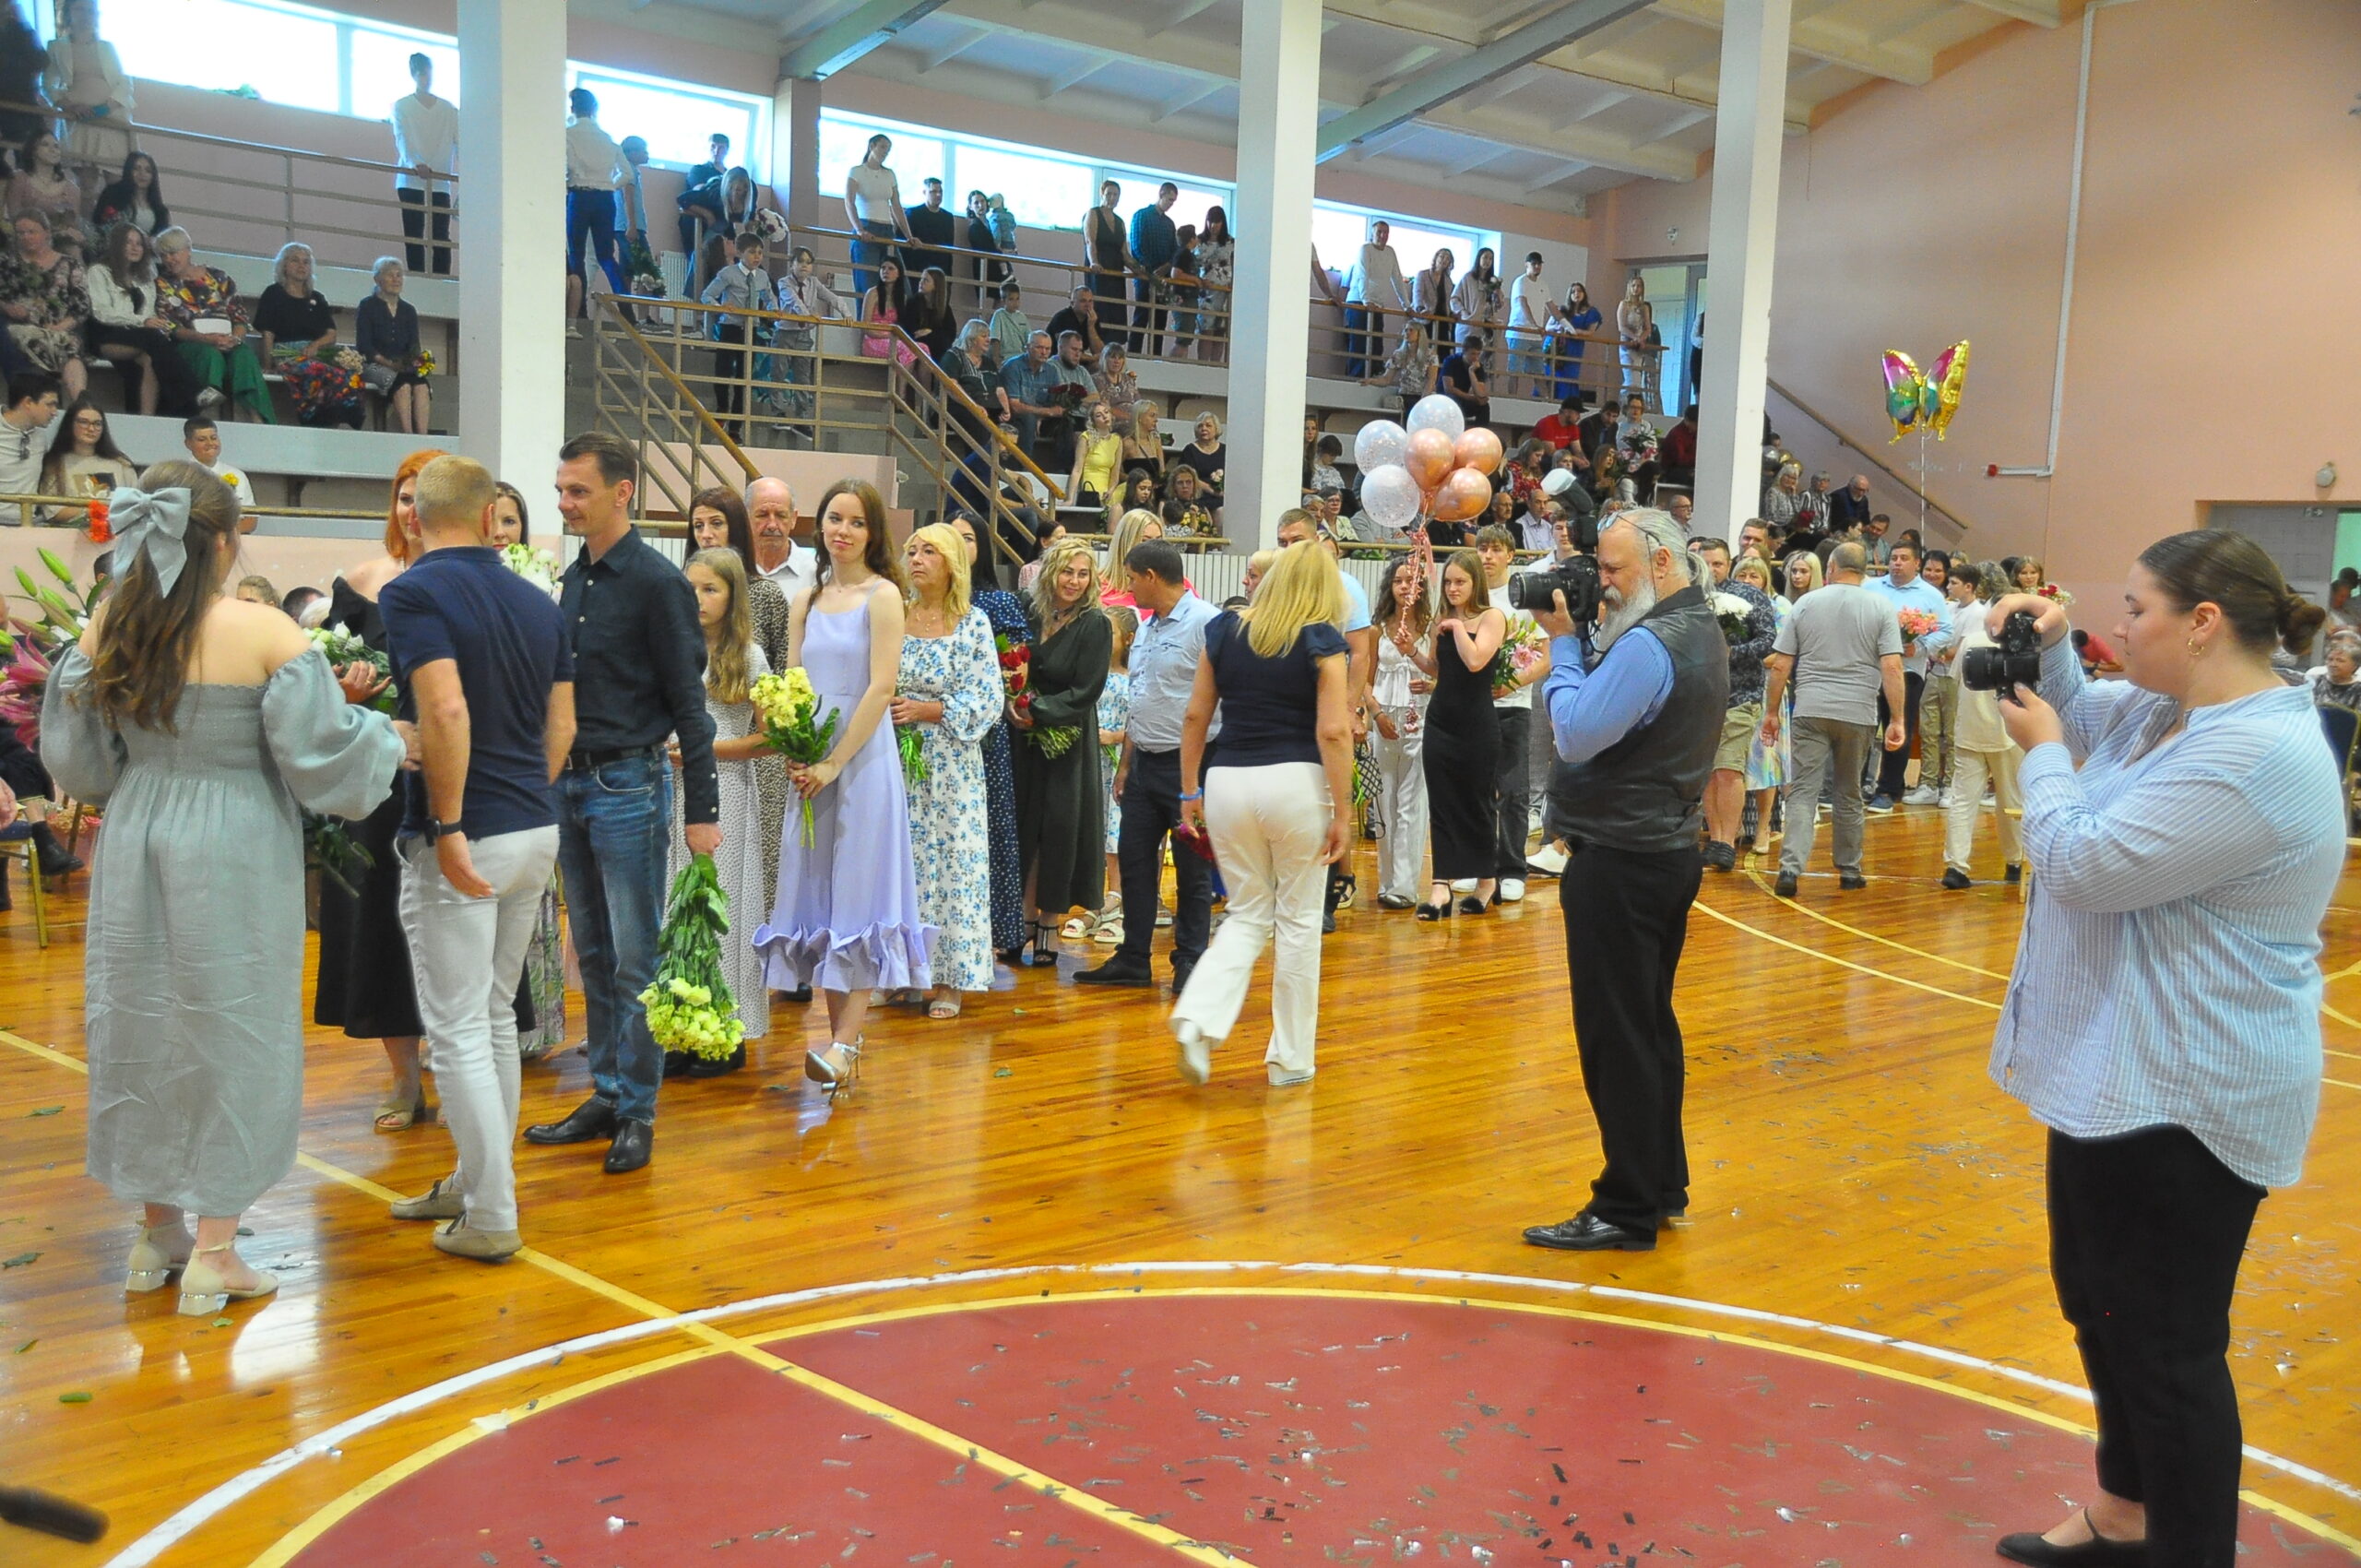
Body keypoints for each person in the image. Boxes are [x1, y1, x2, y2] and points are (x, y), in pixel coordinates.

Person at [1978, 532, 2343, 1568]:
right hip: (2119, 1070)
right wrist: (2051, 649)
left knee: (2168, 1349)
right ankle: (2126, 1513)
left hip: (2190, 1089)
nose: (2118, 625)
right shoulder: (2169, 709)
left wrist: (2040, 754)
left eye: (2135, 609)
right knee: (2099, 1309)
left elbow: (2085, 864)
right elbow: (2082, 715)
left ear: (2203, 623)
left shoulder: (2256, 755)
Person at [44, 463, 402, 1314]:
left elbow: (80, 766)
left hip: (136, 834)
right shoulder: (265, 631)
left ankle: (155, 1235)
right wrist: (384, 735)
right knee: (233, 1027)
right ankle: (215, 1253)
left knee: (140, 1022)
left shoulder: (108, 624)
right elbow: (321, 763)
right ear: (224, 539)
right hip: (236, 840)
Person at [376, 455, 571, 1262]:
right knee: (490, 1016)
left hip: (466, 833)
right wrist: (522, 798)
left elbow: (445, 709)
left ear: (415, 515)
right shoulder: (538, 599)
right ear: (493, 516)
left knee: (457, 1027)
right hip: (534, 825)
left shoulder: (413, 591)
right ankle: (474, 1182)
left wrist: (451, 823)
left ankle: (492, 1213)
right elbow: (563, 725)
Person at [1518, 507, 1726, 1253]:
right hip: (1662, 851)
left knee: (1619, 1039)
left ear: (1661, 563)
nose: (1600, 582)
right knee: (1649, 1028)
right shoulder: (1697, 626)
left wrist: (1564, 644)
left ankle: (1626, 1205)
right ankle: (1660, 1183)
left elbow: (1576, 733)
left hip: (1622, 860)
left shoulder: (1648, 643)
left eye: (1612, 569)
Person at [524, 434, 718, 1175]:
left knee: (636, 959)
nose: (565, 503)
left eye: (578, 491)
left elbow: (690, 705)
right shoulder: (575, 578)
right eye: (561, 491)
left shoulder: (657, 582)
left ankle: (638, 1109)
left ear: (622, 492)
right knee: (595, 953)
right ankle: (606, 1092)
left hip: (629, 784)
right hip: (571, 783)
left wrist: (702, 811)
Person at [751, 479, 926, 1093]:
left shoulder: (884, 596)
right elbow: (793, 685)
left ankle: (846, 1043)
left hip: (863, 762)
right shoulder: (805, 599)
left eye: (855, 521)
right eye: (834, 518)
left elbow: (881, 688)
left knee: (859, 895)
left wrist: (834, 761)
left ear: (872, 533)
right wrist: (797, 750)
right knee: (821, 897)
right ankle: (837, 1040)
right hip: (812, 763)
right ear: (819, 524)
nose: (842, 531)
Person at [1169, 539, 1353, 1087]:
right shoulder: (1322, 640)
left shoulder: (1223, 630)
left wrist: (1188, 791)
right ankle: (1290, 1059)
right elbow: (1334, 730)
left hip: (1226, 780)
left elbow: (1195, 716)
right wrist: (1343, 813)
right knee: (1298, 923)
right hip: (1295, 783)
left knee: (1247, 912)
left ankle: (1198, 1015)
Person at [314, 450, 440, 1133]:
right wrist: (350, 696)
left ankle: (459, 1065)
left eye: (425, 497)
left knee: (451, 921)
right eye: (403, 496)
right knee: (380, 923)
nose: (412, 511)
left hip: (452, 772)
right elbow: (322, 686)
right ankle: (403, 1076)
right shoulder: (362, 583)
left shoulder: (472, 580)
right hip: (377, 779)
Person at [654, 546, 775, 1072]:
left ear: (732, 597)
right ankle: (679, 1027)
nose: (699, 599)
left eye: (711, 589)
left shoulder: (748, 656)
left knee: (722, 906)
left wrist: (706, 750)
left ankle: (728, 1029)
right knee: (674, 905)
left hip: (725, 790)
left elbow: (769, 739)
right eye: (691, 589)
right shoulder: (668, 647)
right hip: (669, 787)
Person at [1076, 540, 1216, 991]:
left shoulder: (1207, 622)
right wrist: (1125, 768)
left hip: (1190, 766)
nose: (1129, 586)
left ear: (1152, 577)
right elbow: (1141, 698)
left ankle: (1190, 960)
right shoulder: (1147, 626)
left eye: (1133, 578)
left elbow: (1223, 697)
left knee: (1192, 870)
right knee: (1135, 861)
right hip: (1143, 764)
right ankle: (1133, 956)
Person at [892, 523, 1002, 1017]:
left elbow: (988, 697)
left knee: (953, 865)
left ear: (953, 562)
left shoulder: (972, 623)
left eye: (929, 552)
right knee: (904, 864)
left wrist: (929, 710)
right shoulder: (896, 615)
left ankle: (951, 980)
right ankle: (903, 973)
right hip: (897, 758)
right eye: (912, 551)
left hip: (952, 763)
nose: (917, 559)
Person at [1761, 543, 1904, 897]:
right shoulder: (1881, 607)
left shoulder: (1805, 604)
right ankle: (1850, 870)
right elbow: (1892, 667)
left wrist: (1771, 713)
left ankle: (1790, 869)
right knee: (1849, 793)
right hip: (1858, 712)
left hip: (1811, 708)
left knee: (1802, 793)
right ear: (1865, 570)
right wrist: (1898, 718)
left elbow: (1780, 665)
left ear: (1831, 567)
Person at [1012, 537, 1112, 966]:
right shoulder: (1026, 609)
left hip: (1067, 738)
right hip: (1021, 735)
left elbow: (1087, 690)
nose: (1074, 581)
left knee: (1058, 829)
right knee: (1023, 828)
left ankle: (1050, 922)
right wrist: (1013, 703)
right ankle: (1022, 918)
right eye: (1068, 571)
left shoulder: (1095, 624)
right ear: (1051, 571)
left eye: (1083, 574)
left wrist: (1036, 709)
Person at [946, 510, 1031, 958]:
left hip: (985, 735)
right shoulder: (919, 604)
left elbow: (1015, 670)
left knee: (987, 830)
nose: (959, 548)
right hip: (927, 735)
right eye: (951, 538)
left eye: (968, 539)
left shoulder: (997, 603)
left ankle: (993, 934)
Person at [1417, 548, 1505, 918]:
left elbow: (1475, 660)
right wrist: (1411, 652)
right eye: (1448, 582)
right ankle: (1441, 885)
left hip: (1477, 724)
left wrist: (1455, 628)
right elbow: (1439, 668)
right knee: (1441, 801)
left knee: (1477, 802)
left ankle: (1487, 880)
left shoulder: (1491, 617)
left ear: (1475, 583)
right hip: (1441, 720)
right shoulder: (1442, 618)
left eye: (1460, 582)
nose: (1452, 589)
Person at [1940, 561, 2023, 890]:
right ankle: (2015, 862)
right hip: (2009, 733)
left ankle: (1956, 866)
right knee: (2011, 800)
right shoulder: (2021, 647)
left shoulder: (1971, 641)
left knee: (1963, 800)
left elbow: (1954, 680)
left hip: (1970, 730)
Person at [1695, 538, 1776, 871]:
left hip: (1741, 694)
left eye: (1717, 563)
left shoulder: (1749, 596)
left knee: (1729, 769)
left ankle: (1728, 841)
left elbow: (1769, 639)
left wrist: (1734, 652)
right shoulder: (1690, 596)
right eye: (1706, 563)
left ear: (1729, 564)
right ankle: (1715, 838)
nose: (1711, 569)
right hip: (1700, 696)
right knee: (1708, 772)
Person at [1865, 540, 1954, 811]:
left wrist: (1920, 646)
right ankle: (1858, 784)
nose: (1896, 563)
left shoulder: (1930, 594)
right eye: (1893, 557)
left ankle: (1888, 789)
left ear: (1917, 563)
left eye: (1904, 558)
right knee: (1864, 727)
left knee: (1898, 726)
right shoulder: (1870, 587)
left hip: (1907, 671)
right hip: (1869, 669)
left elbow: (1946, 631)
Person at [153, 227, 270, 422]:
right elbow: (170, 326)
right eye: (163, 255)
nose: (168, 260)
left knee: (244, 356)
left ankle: (257, 418)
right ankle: (200, 415)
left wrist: (235, 339)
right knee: (210, 354)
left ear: (188, 250)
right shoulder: (162, 284)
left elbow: (240, 317)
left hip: (226, 339)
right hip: (190, 343)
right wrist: (205, 339)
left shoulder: (219, 277)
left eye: (173, 253)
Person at [1370, 552, 1432, 909]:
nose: (1405, 586)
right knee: (1385, 801)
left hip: (1420, 718)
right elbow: (1365, 681)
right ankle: (1386, 880)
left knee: (1413, 802)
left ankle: (1406, 886)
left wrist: (1432, 685)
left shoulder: (1433, 625)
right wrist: (1376, 714)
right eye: (1398, 581)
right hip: (1384, 721)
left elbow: (1443, 673)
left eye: (1411, 580)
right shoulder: (1376, 628)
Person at [83, 221, 192, 416]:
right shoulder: (99, 271)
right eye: (129, 242)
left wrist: (154, 323)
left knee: (151, 358)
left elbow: (149, 312)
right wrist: (141, 322)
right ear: (117, 245)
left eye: (139, 243)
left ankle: (146, 416)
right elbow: (101, 312)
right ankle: (191, 395)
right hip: (107, 334)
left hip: (139, 336)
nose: (135, 248)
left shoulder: (145, 278)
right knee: (154, 339)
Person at [255, 243, 362, 429]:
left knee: (348, 374)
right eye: (295, 261)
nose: (301, 265)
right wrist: (268, 364)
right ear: (284, 265)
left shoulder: (316, 298)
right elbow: (268, 332)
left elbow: (331, 333)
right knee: (315, 370)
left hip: (314, 353)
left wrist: (315, 345)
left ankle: (342, 419)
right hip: (287, 354)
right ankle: (315, 419)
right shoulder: (274, 293)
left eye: (306, 262)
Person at [1729, 553, 1789, 856]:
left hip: (1768, 690)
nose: (1748, 581)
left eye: (1754, 576)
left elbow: (1782, 654)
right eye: (1742, 575)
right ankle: (1735, 824)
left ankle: (1764, 827)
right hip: (1733, 689)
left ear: (1765, 580)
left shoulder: (1779, 607)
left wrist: (1742, 654)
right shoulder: (1726, 606)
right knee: (1733, 760)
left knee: (1766, 761)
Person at [41, 0, 131, 197]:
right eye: (80, 9)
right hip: (80, 121)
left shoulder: (107, 47)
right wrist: (70, 107)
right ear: (69, 13)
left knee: (116, 183)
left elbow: (124, 83)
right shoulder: (57, 47)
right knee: (87, 184)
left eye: (91, 11)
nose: (86, 15)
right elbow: (48, 85)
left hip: (110, 120)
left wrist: (107, 107)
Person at [2, 210, 89, 401]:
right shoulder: (7, 263)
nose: (25, 237)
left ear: (46, 232)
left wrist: (59, 327)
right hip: (21, 327)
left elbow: (82, 306)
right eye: (21, 233)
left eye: (31, 232)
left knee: (69, 346)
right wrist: (7, 307)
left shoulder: (70, 263)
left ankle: (81, 404)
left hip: (61, 327)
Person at [700, 227, 774, 437]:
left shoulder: (762, 277)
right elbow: (707, 296)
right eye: (752, 252)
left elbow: (769, 298)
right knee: (723, 371)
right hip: (730, 327)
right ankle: (722, 409)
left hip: (751, 329)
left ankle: (736, 426)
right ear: (741, 253)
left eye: (760, 252)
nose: (757, 257)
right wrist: (720, 307)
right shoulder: (728, 273)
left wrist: (773, 310)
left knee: (744, 377)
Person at [390, 53, 457, 277]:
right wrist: (415, 163)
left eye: (428, 73)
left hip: (440, 181)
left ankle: (441, 279)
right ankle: (418, 277)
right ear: (413, 74)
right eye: (421, 73)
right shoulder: (402, 106)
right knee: (414, 233)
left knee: (440, 234)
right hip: (410, 179)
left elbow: (461, 141)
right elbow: (402, 139)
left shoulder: (448, 109)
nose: (426, 78)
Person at [564, 89, 628, 316]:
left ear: (573, 108)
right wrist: (609, 184)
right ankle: (627, 311)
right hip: (605, 198)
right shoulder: (607, 138)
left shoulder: (568, 134)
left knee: (576, 254)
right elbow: (627, 173)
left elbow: (569, 166)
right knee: (606, 256)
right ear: (594, 109)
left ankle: (579, 311)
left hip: (579, 196)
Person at [356, 256, 431, 435]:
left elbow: (414, 345)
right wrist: (389, 363)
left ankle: (423, 436)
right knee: (402, 385)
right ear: (377, 279)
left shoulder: (408, 310)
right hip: (374, 363)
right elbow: (364, 345)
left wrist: (414, 362)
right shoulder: (367, 306)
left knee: (421, 385)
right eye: (390, 275)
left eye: (399, 275)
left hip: (402, 366)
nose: (396, 279)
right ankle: (408, 435)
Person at [844, 133, 913, 305]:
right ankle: (866, 320)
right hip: (867, 227)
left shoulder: (889, 174)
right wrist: (859, 229)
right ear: (871, 147)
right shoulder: (857, 172)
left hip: (887, 230)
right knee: (868, 285)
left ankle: (897, 319)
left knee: (900, 284)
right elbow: (849, 202)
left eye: (888, 149)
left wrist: (908, 236)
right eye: (882, 147)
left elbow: (896, 206)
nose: (885, 152)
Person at [36, 394, 131, 518]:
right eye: (84, 422)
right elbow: (52, 511)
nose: (91, 429)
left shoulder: (121, 464)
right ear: (70, 424)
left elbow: (132, 505)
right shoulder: (54, 463)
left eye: (97, 424)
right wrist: (93, 511)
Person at [1344, 220, 1407, 381]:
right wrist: (1366, 300)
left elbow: (1397, 278)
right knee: (1359, 343)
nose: (1383, 235)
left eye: (1386, 232)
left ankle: (1373, 377)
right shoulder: (1365, 249)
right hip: (1358, 302)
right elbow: (1362, 275)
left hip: (1377, 305)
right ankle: (1355, 379)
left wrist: (1407, 306)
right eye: (1379, 232)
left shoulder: (1390, 252)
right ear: (1372, 233)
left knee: (1376, 345)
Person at [8, 126, 87, 258]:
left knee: (73, 250)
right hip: (25, 237)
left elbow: (71, 224)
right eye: (45, 145)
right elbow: (15, 217)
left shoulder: (72, 189)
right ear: (33, 150)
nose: (53, 150)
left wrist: (62, 233)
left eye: (56, 146)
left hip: (59, 241)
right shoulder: (19, 179)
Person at [1083, 180, 1136, 345]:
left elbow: (1124, 253)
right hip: (1099, 273)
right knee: (1100, 311)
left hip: (1116, 274)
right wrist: (1094, 262)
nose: (1112, 198)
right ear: (1102, 194)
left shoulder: (1120, 222)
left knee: (1115, 315)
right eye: (1109, 194)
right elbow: (1090, 241)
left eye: (1116, 195)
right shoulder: (1093, 213)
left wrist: (1140, 270)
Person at [675, 133, 731, 269]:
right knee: (698, 264)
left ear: (727, 151)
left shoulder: (730, 175)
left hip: (723, 224)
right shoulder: (699, 170)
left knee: (723, 264)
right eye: (713, 147)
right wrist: (708, 215)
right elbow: (702, 192)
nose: (716, 151)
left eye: (721, 148)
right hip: (697, 223)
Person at [1365, 317, 1438, 420]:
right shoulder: (1399, 354)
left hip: (1423, 395)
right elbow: (1387, 379)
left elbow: (1431, 380)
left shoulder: (1430, 355)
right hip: (1405, 395)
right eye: (1406, 330)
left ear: (1419, 334)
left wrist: (1422, 401)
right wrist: (1371, 381)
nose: (1407, 333)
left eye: (1411, 330)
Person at [89, 151, 167, 238]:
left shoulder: (159, 209)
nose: (142, 174)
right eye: (136, 169)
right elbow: (99, 224)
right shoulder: (112, 194)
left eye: (148, 171)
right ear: (128, 170)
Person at [181, 414, 251, 507]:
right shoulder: (181, 475)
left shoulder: (237, 475)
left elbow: (250, 513)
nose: (210, 443)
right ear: (188, 444)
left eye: (214, 438)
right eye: (202, 440)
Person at [1547, 282, 1602, 401]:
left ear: (1584, 294)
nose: (1576, 294)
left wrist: (1576, 331)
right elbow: (1548, 327)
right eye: (1573, 292)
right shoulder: (1561, 310)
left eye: (1579, 291)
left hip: (1574, 348)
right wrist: (1559, 328)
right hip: (1557, 346)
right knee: (1551, 375)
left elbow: (1590, 332)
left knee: (1569, 377)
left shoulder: (1591, 312)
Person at [1066, 398, 1122, 512]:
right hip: (1092, 489)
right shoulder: (1086, 437)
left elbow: (1115, 473)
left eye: (1106, 412)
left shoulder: (1117, 439)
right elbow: (1077, 469)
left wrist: (1110, 490)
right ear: (1093, 421)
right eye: (1099, 415)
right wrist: (1070, 499)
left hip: (1109, 492)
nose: (1105, 416)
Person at [903, 175, 955, 283]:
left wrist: (949, 277)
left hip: (940, 270)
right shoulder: (912, 214)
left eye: (940, 191)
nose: (938, 195)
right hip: (917, 269)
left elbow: (949, 249)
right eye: (933, 192)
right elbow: (904, 245)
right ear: (924, 192)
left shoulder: (948, 217)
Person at [1439, 327, 1490, 429]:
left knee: (1484, 407)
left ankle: (1480, 433)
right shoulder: (1451, 361)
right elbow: (1448, 388)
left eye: (1478, 354)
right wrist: (1470, 397)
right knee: (1455, 402)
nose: (1476, 357)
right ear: (1464, 352)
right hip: (1446, 398)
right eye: (1473, 354)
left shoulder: (1478, 367)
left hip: (1462, 398)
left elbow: (1481, 394)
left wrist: (1472, 373)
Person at [1614, 275, 1652, 396]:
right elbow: (1621, 327)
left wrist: (1641, 338)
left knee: (1637, 379)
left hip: (1638, 347)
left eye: (1639, 286)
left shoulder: (1644, 307)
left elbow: (1648, 328)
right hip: (1627, 345)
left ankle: (1630, 400)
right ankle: (1624, 400)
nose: (1636, 288)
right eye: (1633, 285)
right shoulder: (1624, 304)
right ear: (1629, 287)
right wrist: (1635, 337)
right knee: (1630, 379)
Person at [2312, 629, 2361, 711]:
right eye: (2330, 659)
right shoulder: (2314, 680)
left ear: (2354, 665)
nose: (2333, 664)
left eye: (2340, 660)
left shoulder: (2358, 690)